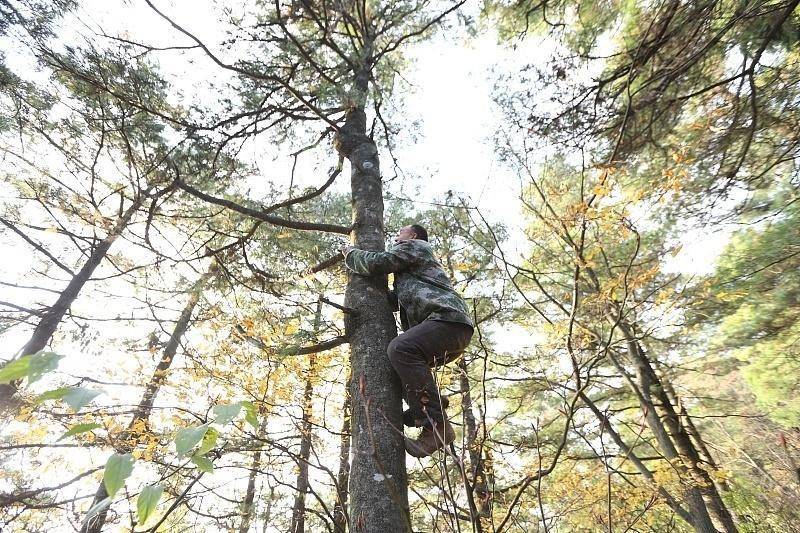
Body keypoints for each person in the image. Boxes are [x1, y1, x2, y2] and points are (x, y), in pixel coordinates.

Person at [342, 224, 474, 457]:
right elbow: (398, 300)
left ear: (412, 236)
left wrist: (351, 254)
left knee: (400, 349)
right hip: (444, 328)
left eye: (400, 233)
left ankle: (435, 426)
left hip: (446, 320)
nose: (396, 237)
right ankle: (428, 403)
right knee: (395, 362)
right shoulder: (409, 270)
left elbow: (376, 263)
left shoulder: (416, 246)